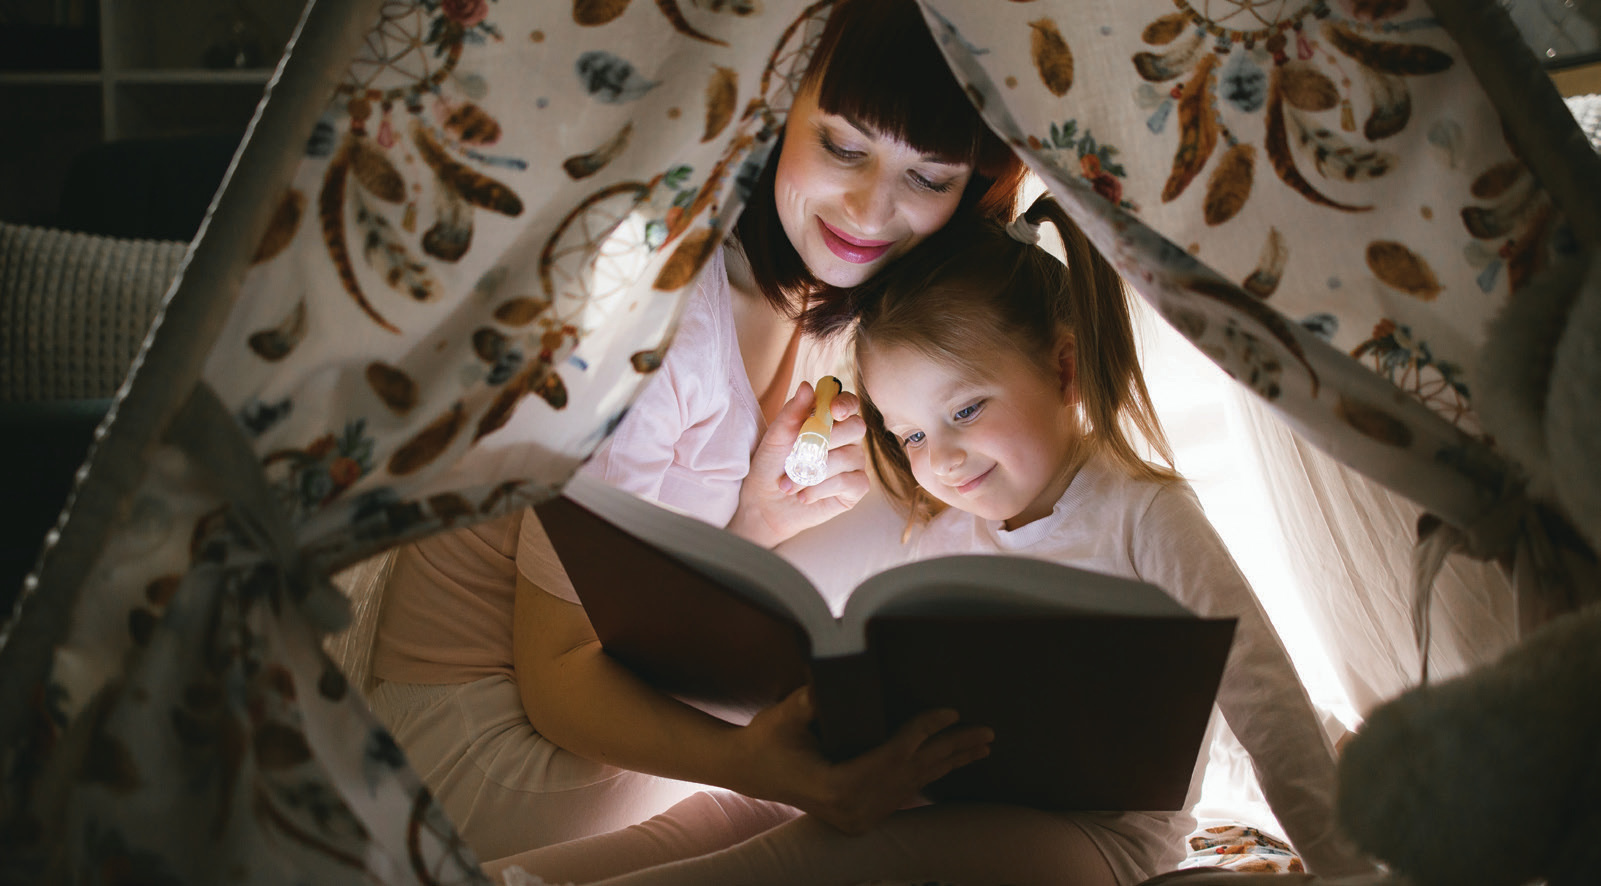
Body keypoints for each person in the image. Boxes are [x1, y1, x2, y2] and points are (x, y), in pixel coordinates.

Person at [481, 196, 1379, 884]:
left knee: (825, 852)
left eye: (964, 410)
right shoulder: (936, 505)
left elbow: (1263, 699)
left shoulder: (1146, 514)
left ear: (1062, 369)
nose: (938, 457)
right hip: (932, 784)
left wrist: (1344, 869)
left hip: (1091, 839)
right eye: (907, 433)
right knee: (724, 809)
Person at [365, 0, 1028, 863]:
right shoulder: (652, 313)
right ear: (774, 102)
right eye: (841, 145)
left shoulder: (843, 307)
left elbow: (651, 592)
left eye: (929, 178)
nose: (871, 211)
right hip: (479, 747)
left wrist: (757, 523)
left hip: (617, 710)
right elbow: (557, 677)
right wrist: (759, 768)